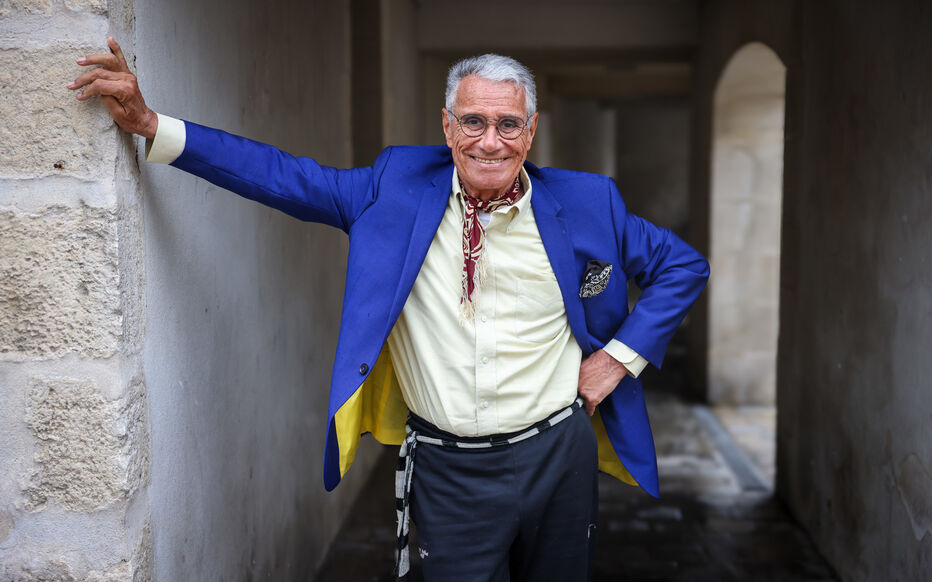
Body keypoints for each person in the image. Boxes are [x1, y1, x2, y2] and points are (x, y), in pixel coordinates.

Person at [68, 37, 709, 582]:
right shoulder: (391, 190)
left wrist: (615, 363)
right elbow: (283, 176)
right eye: (473, 122)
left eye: (508, 124)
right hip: (450, 468)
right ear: (446, 125)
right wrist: (154, 126)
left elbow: (683, 265)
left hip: (558, 457)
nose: (491, 140)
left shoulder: (588, 202)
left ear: (531, 130)